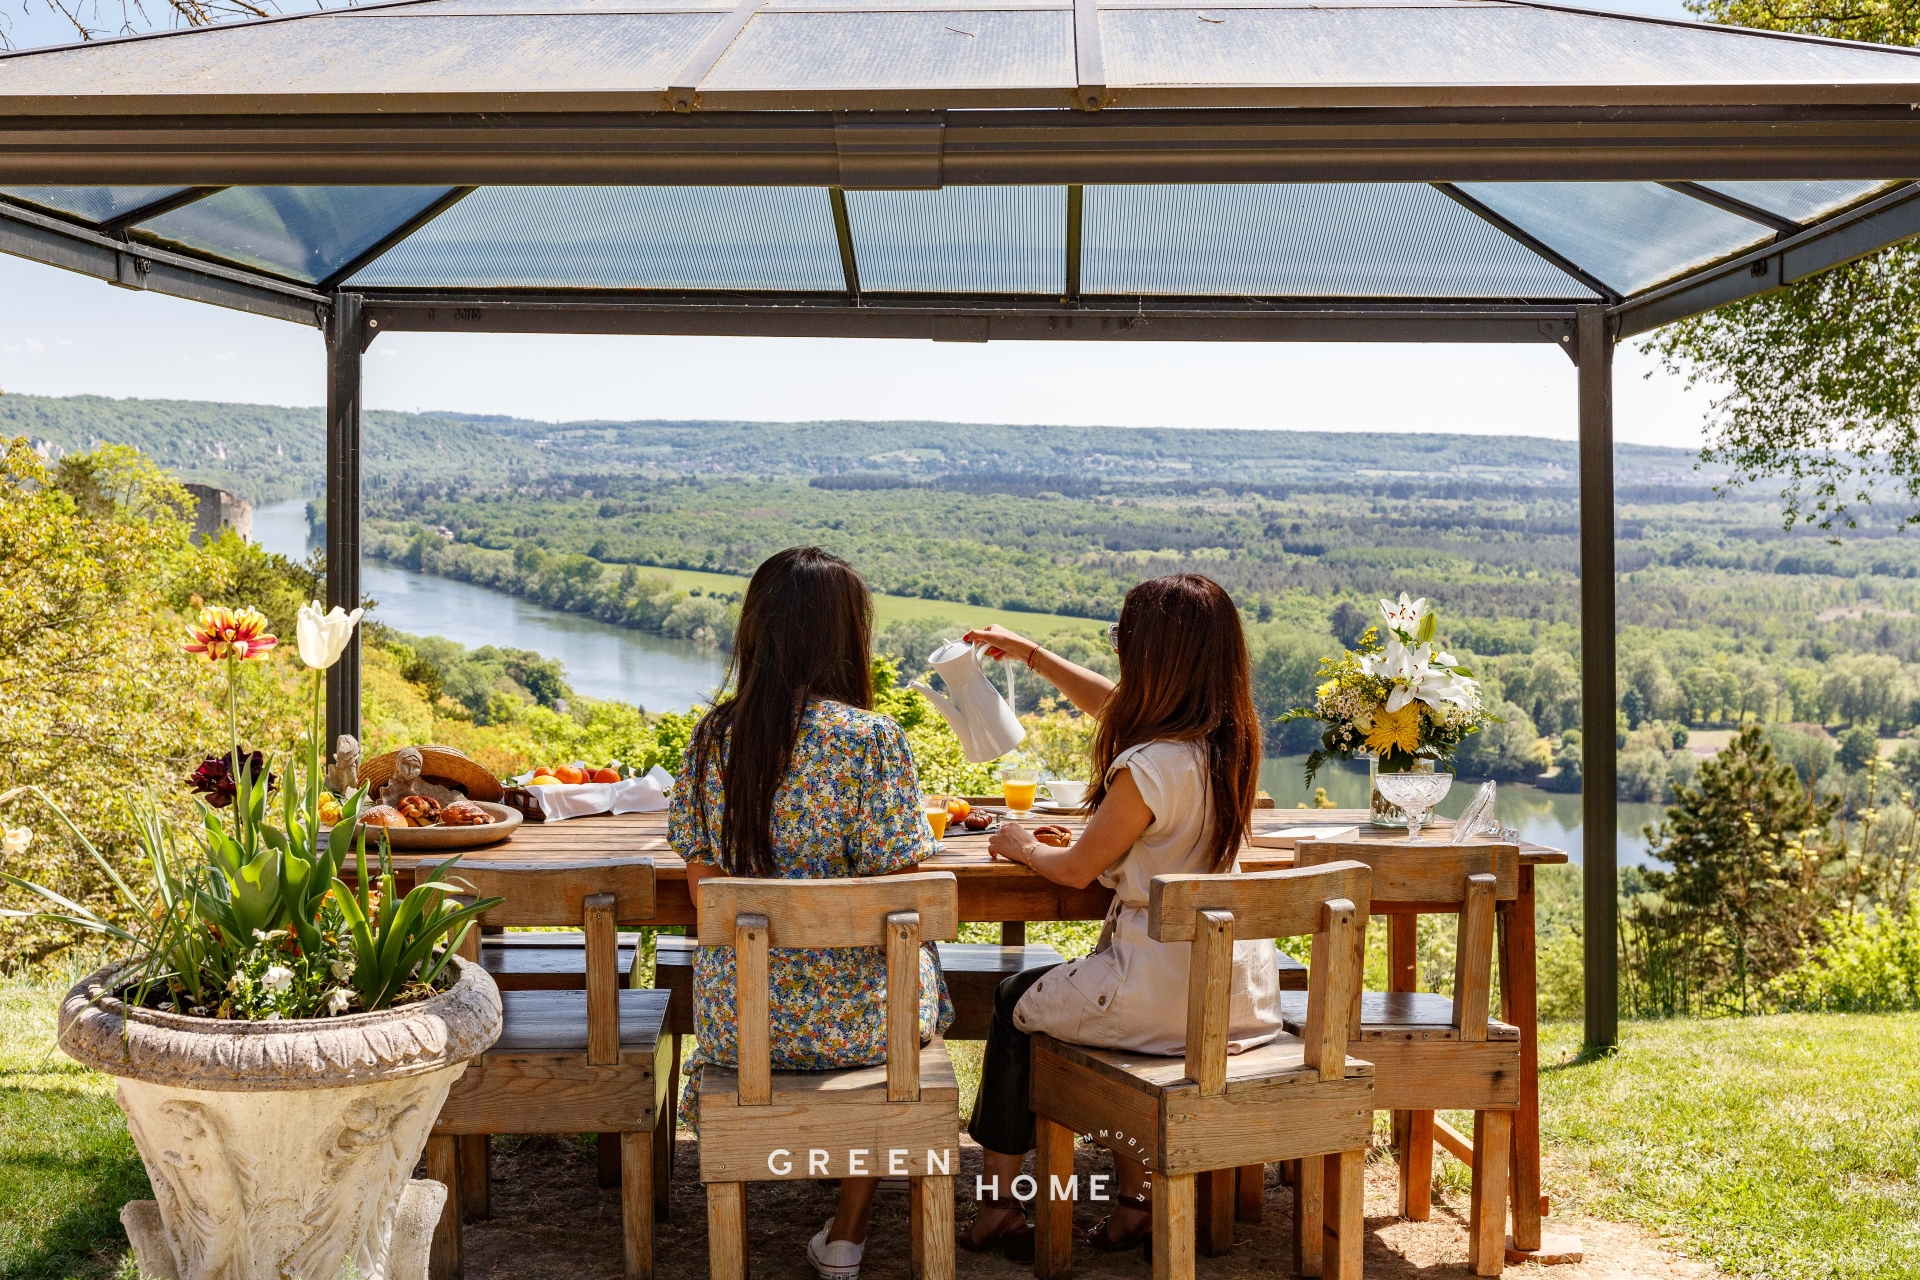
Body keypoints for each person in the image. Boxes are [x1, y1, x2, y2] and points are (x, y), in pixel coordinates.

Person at [956, 573, 1280, 1255]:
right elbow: (1117, 711)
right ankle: (1133, 1204)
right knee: (1079, 988)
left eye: (1121, 639)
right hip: (1232, 1002)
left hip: (1158, 1000)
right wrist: (1035, 657)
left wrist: (1017, 844)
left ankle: (998, 1208)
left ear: (1153, 657)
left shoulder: (1150, 766)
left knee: (1017, 1000)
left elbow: (1075, 871)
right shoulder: (1230, 745)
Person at [668, 546, 953, 1280]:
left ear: (758, 631)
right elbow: (899, 893)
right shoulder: (872, 741)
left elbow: (706, 893)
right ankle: (849, 1234)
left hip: (743, 1026)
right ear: (843, 636)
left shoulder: (711, 742)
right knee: (916, 970)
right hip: (867, 1032)